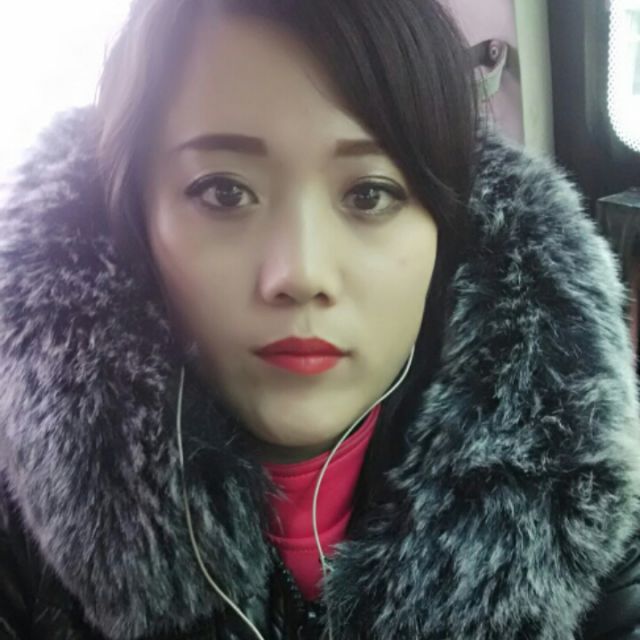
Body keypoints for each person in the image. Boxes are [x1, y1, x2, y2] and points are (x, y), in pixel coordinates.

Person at [1, 0, 640, 638]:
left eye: (369, 194)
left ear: (447, 232)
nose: (301, 274)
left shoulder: (581, 499)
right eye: (224, 191)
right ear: (134, 224)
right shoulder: (21, 513)